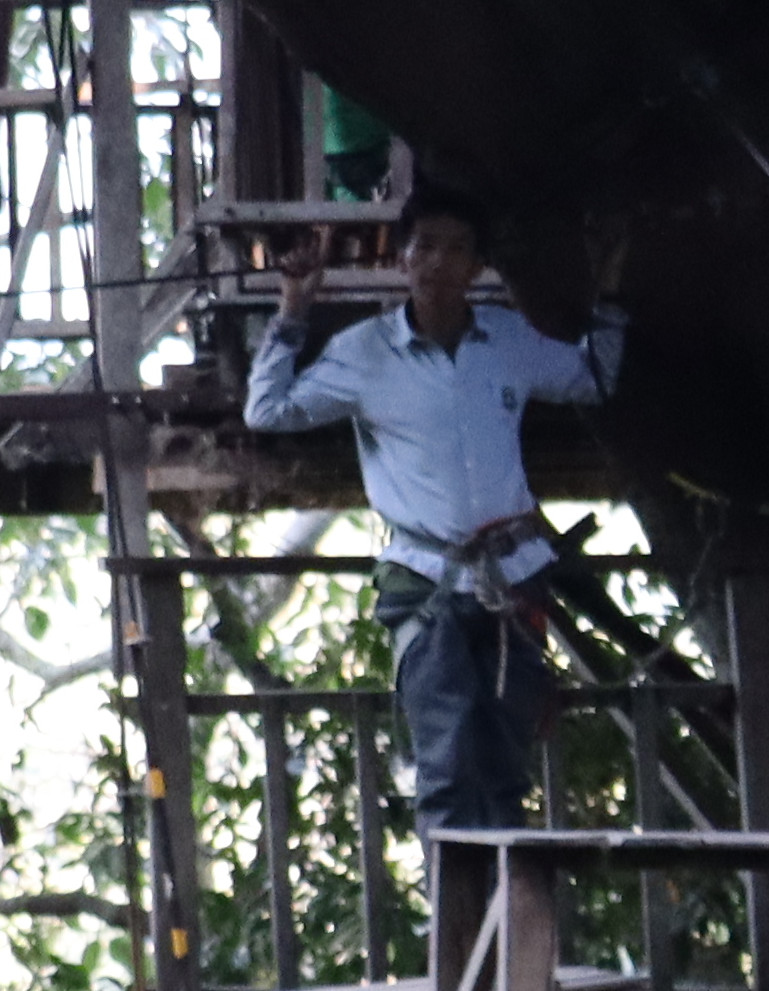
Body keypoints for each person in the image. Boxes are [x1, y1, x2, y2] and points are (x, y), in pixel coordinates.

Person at [244, 192, 621, 842]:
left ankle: (509, 933)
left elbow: (593, 377)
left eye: (457, 249)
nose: (440, 262)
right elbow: (267, 411)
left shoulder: (505, 339)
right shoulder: (366, 351)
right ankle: (456, 929)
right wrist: (293, 310)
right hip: (427, 580)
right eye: (426, 246)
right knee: (445, 773)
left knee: (505, 773)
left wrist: (610, 295)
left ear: (478, 266)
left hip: (513, 575)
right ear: (402, 258)